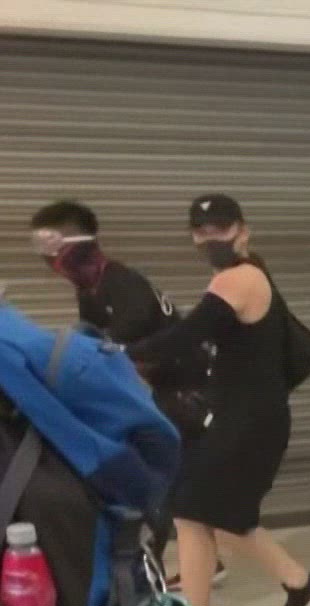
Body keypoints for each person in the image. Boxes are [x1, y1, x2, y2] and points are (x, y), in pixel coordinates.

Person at [129, 195, 310, 606]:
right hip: (247, 417)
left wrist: (119, 354)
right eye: (201, 232)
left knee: (191, 511)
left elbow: (188, 335)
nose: (210, 239)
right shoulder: (245, 274)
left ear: (243, 230)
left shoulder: (239, 279)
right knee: (219, 516)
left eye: (220, 229)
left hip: (247, 421)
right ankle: (301, 585)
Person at [26, 201, 220, 577]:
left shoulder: (122, 283)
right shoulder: (90, 290)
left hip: (187, 392)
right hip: (162, 391)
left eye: (52, 243)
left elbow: (121, 348)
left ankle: (152, 571)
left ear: (81, 242)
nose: (48, 257)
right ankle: (206, 563)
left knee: (161, 485)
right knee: (178, 485)